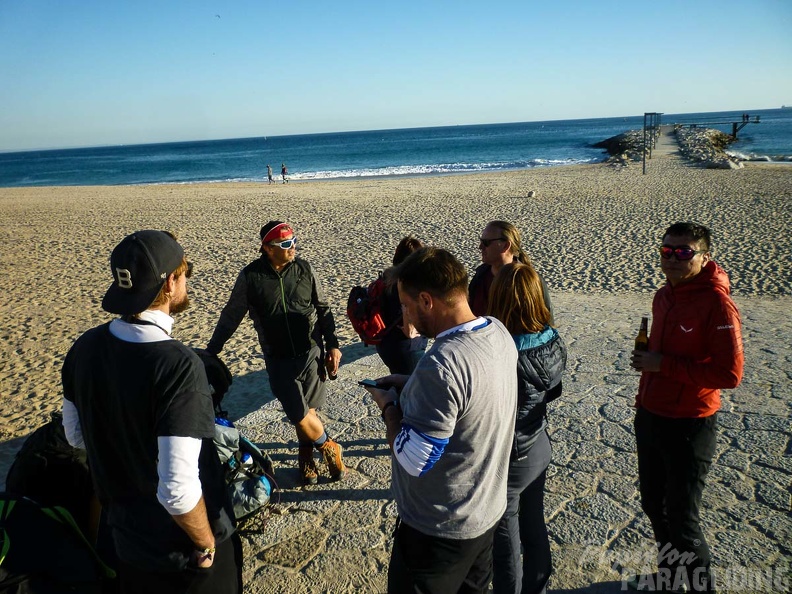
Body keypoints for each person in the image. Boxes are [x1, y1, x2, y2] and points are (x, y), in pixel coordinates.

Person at [61, 230, 242, 593]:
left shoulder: (85, 347)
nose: (187, 280)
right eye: (185, 273)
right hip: (178, 554)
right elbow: (177, 489)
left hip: (123, 540)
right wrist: (206, 544)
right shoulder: (178, 366)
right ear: (172, 281)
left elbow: (75, 436)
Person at [364, 246, 518, 594]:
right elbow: (470, 398)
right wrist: (411, 385)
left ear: (427, 301)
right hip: (486, 515)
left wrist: (389, 407)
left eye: (405, 306)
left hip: (438, 531)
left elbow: (414, 459)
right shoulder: (497, 332)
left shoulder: (442, 364)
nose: (405, 316)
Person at [630, 222, 744, 593]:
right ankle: (670, 577)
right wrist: (648, 373)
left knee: (682, 519)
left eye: (684, 252)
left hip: (690, 423)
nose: (673, 258)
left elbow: (729, 374)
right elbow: (659, 355)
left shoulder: (717, 303)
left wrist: (662, 364)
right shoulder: (664, 295)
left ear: (704, 256)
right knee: (653, 505)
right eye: (667, 251)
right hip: (651, 414)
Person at [207, 221, 345, 485]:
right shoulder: (251, 277)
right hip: (277, 358)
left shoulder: (305, 269)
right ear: (267, 248)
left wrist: (333, 345)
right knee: (297, 413)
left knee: (309, 411)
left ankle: (305, 457)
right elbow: (231, 316)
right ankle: (328, 445)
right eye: (285, 244)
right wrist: (213, 349)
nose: (292, 247)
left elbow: (324, 309)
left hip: (310, 351)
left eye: (293, 241)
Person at [488, 262, 567, 594]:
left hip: (510, 454)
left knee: (505, 540)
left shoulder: (502, 350)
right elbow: (554, 391)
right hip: (538, 444)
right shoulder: (552, 339)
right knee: (534, 524)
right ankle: (538, 585)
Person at [469, 220, 553, 323]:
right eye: (481, 241)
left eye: (486, 243)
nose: (480, 247)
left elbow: (546, 321)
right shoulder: (480, 276)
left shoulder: (529, 280)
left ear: (505, 246)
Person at [375, 235, 429, 375]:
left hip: (385, 343)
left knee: (398, 383)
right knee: (411, 389)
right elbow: (410, 330)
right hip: (407, 347)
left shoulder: (386, 278)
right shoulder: (407, 283)